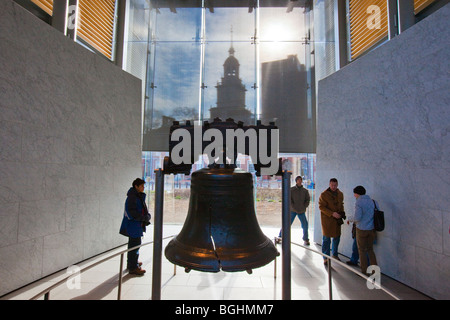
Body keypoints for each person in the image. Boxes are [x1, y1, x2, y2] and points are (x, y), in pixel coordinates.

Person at [119, 178, 151, 276]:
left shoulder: (137, 196)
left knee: (133, 244)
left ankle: (132, 263)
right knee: (135, 245)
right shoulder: (133, 197)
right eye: (141, 186)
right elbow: (131, 212)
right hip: (134, 225)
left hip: (136, 224)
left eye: (143, 185)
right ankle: (133, 267)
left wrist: (146, 217)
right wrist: (143, 218)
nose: (143, 187)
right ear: (136, 186)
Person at [277, 176, 311, 245]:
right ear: (296, 181)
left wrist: (304, 206)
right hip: (292, 210)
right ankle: (280, 236)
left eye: (300, 180)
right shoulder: (291, 190)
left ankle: (306, 239)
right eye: (298, 180)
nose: (299, 181)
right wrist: (293, 207)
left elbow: (307, 200)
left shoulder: (305, 191)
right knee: (287, 224)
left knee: (305, 225)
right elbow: (289, 199)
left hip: (301, 210)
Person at [352, 185, 378, 274]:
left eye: (354, 194)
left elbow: (357, 217)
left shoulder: (359, 202)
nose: (354, 196)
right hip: (371, 229)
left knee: (362, 250)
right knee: (370, 249)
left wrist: (350, 219)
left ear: (357, 193)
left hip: (361, 229)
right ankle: (375, 271)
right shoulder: (373, 202)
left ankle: (364, 271)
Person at [319, 178, 344, 265]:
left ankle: (334, 254)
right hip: (327, 220)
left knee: (337, 237)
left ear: (337, 185)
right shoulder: (324, 194)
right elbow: (321, 207)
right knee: (326, 239)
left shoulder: (340, 194)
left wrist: (342, 213)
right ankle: (325, 257)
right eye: (332, 185)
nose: (333, 187)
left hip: (337, 220)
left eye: (335, 185)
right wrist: (332, 213)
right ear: (329, 184)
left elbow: (341, 204)